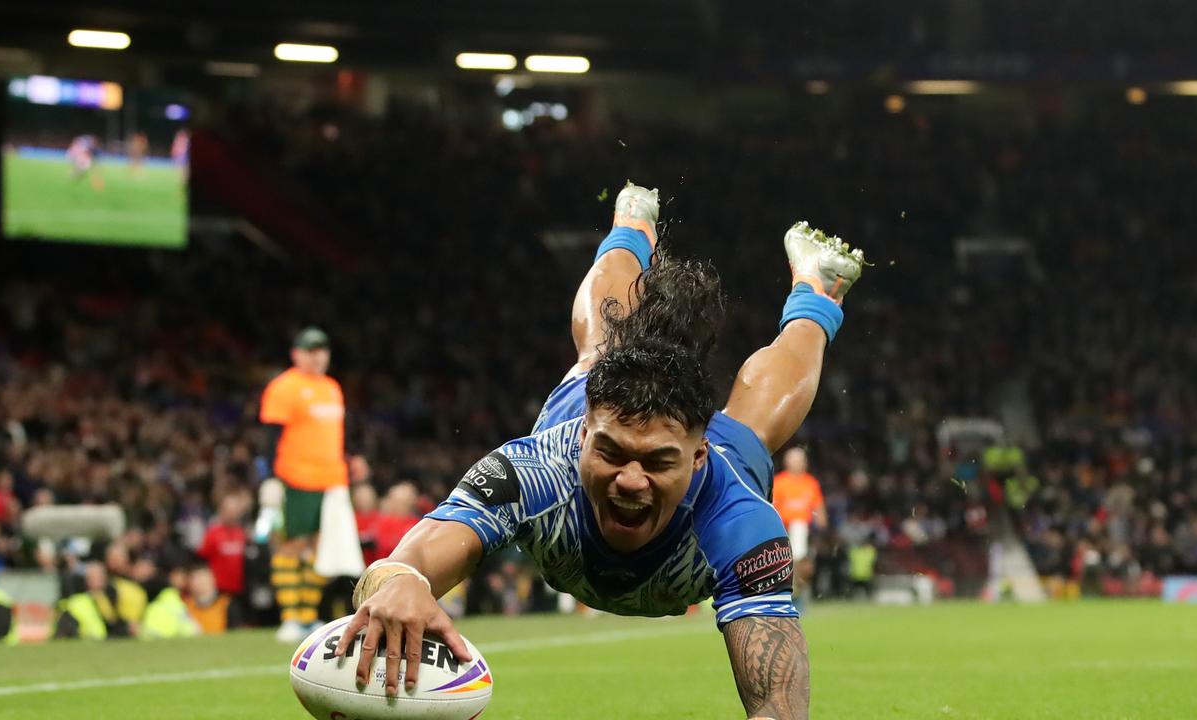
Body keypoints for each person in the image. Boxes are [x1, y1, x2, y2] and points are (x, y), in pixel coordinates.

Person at [336, 183, 864, 720]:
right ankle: (630, 229)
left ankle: (817, 296)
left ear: (698, 455)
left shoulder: (738, 518)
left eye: (657, 462)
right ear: (585, 435)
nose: (631, 481)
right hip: (592, 409)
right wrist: (401, 580)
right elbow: (415, 554)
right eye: (612, 454)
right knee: (602, 351)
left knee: (755, 426)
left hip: (709, 475)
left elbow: (780, 711)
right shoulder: (533, 471)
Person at [259, 327, 353, 641]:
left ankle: (307, 617)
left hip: (331, 481)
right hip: (295, 478)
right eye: (310, 350)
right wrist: (268, 476)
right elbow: (270, 436)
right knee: (290, 544)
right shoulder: (284, 387)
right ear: (296, 353)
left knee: (318, 548)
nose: (317, 355)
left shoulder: (331, 387)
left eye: (322, 349)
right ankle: (290, 618)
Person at [771, 448, 826, 562]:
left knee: (799, 528)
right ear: (787, 463)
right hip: (782, 528)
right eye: (795, 461)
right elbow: (772, 507)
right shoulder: (779, 482)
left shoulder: (810, 482)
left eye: (800, 461)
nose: (798, 464)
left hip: (804, 528)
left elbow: (818, 506)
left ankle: (798, 563)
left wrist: (822, 525)